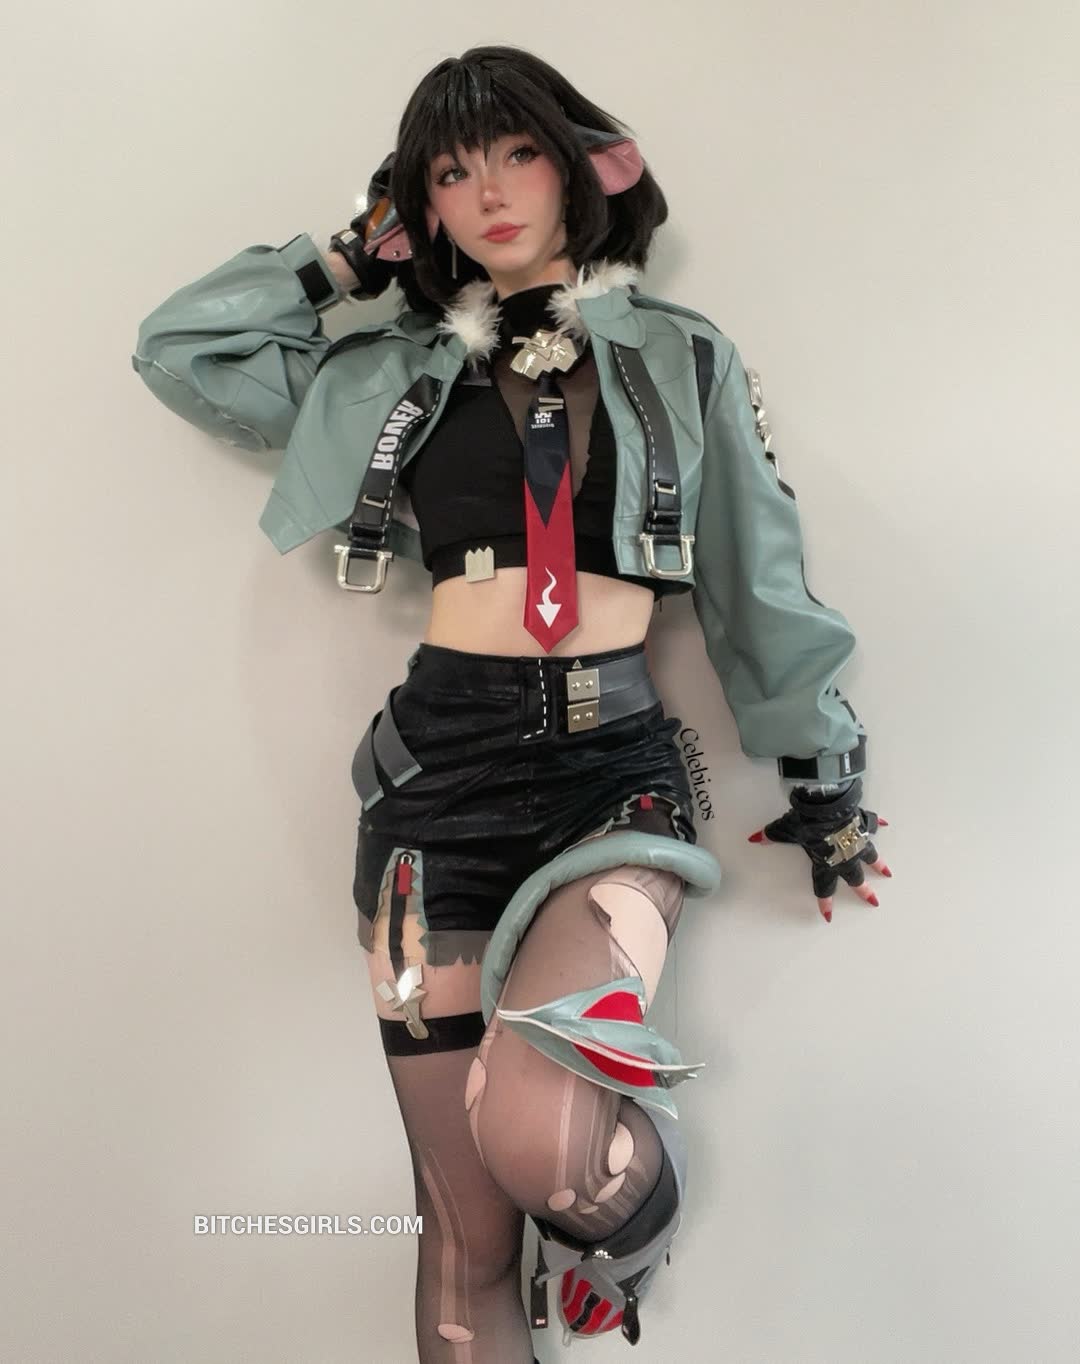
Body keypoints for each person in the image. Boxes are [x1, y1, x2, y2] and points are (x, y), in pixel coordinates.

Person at [132, 42, 891, 1362]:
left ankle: (628, 1234)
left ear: (580, 166)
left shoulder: (681, 355)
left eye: (518, 154)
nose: (488, 192)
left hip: (614, 773)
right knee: (465, 1236)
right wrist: (343, 264)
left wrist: (823, 773)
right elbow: (181, 350)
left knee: (537, 1136)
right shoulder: (386, 372)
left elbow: (756, 575)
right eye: (450, 171)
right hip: (434, 777)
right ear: (418, 203)